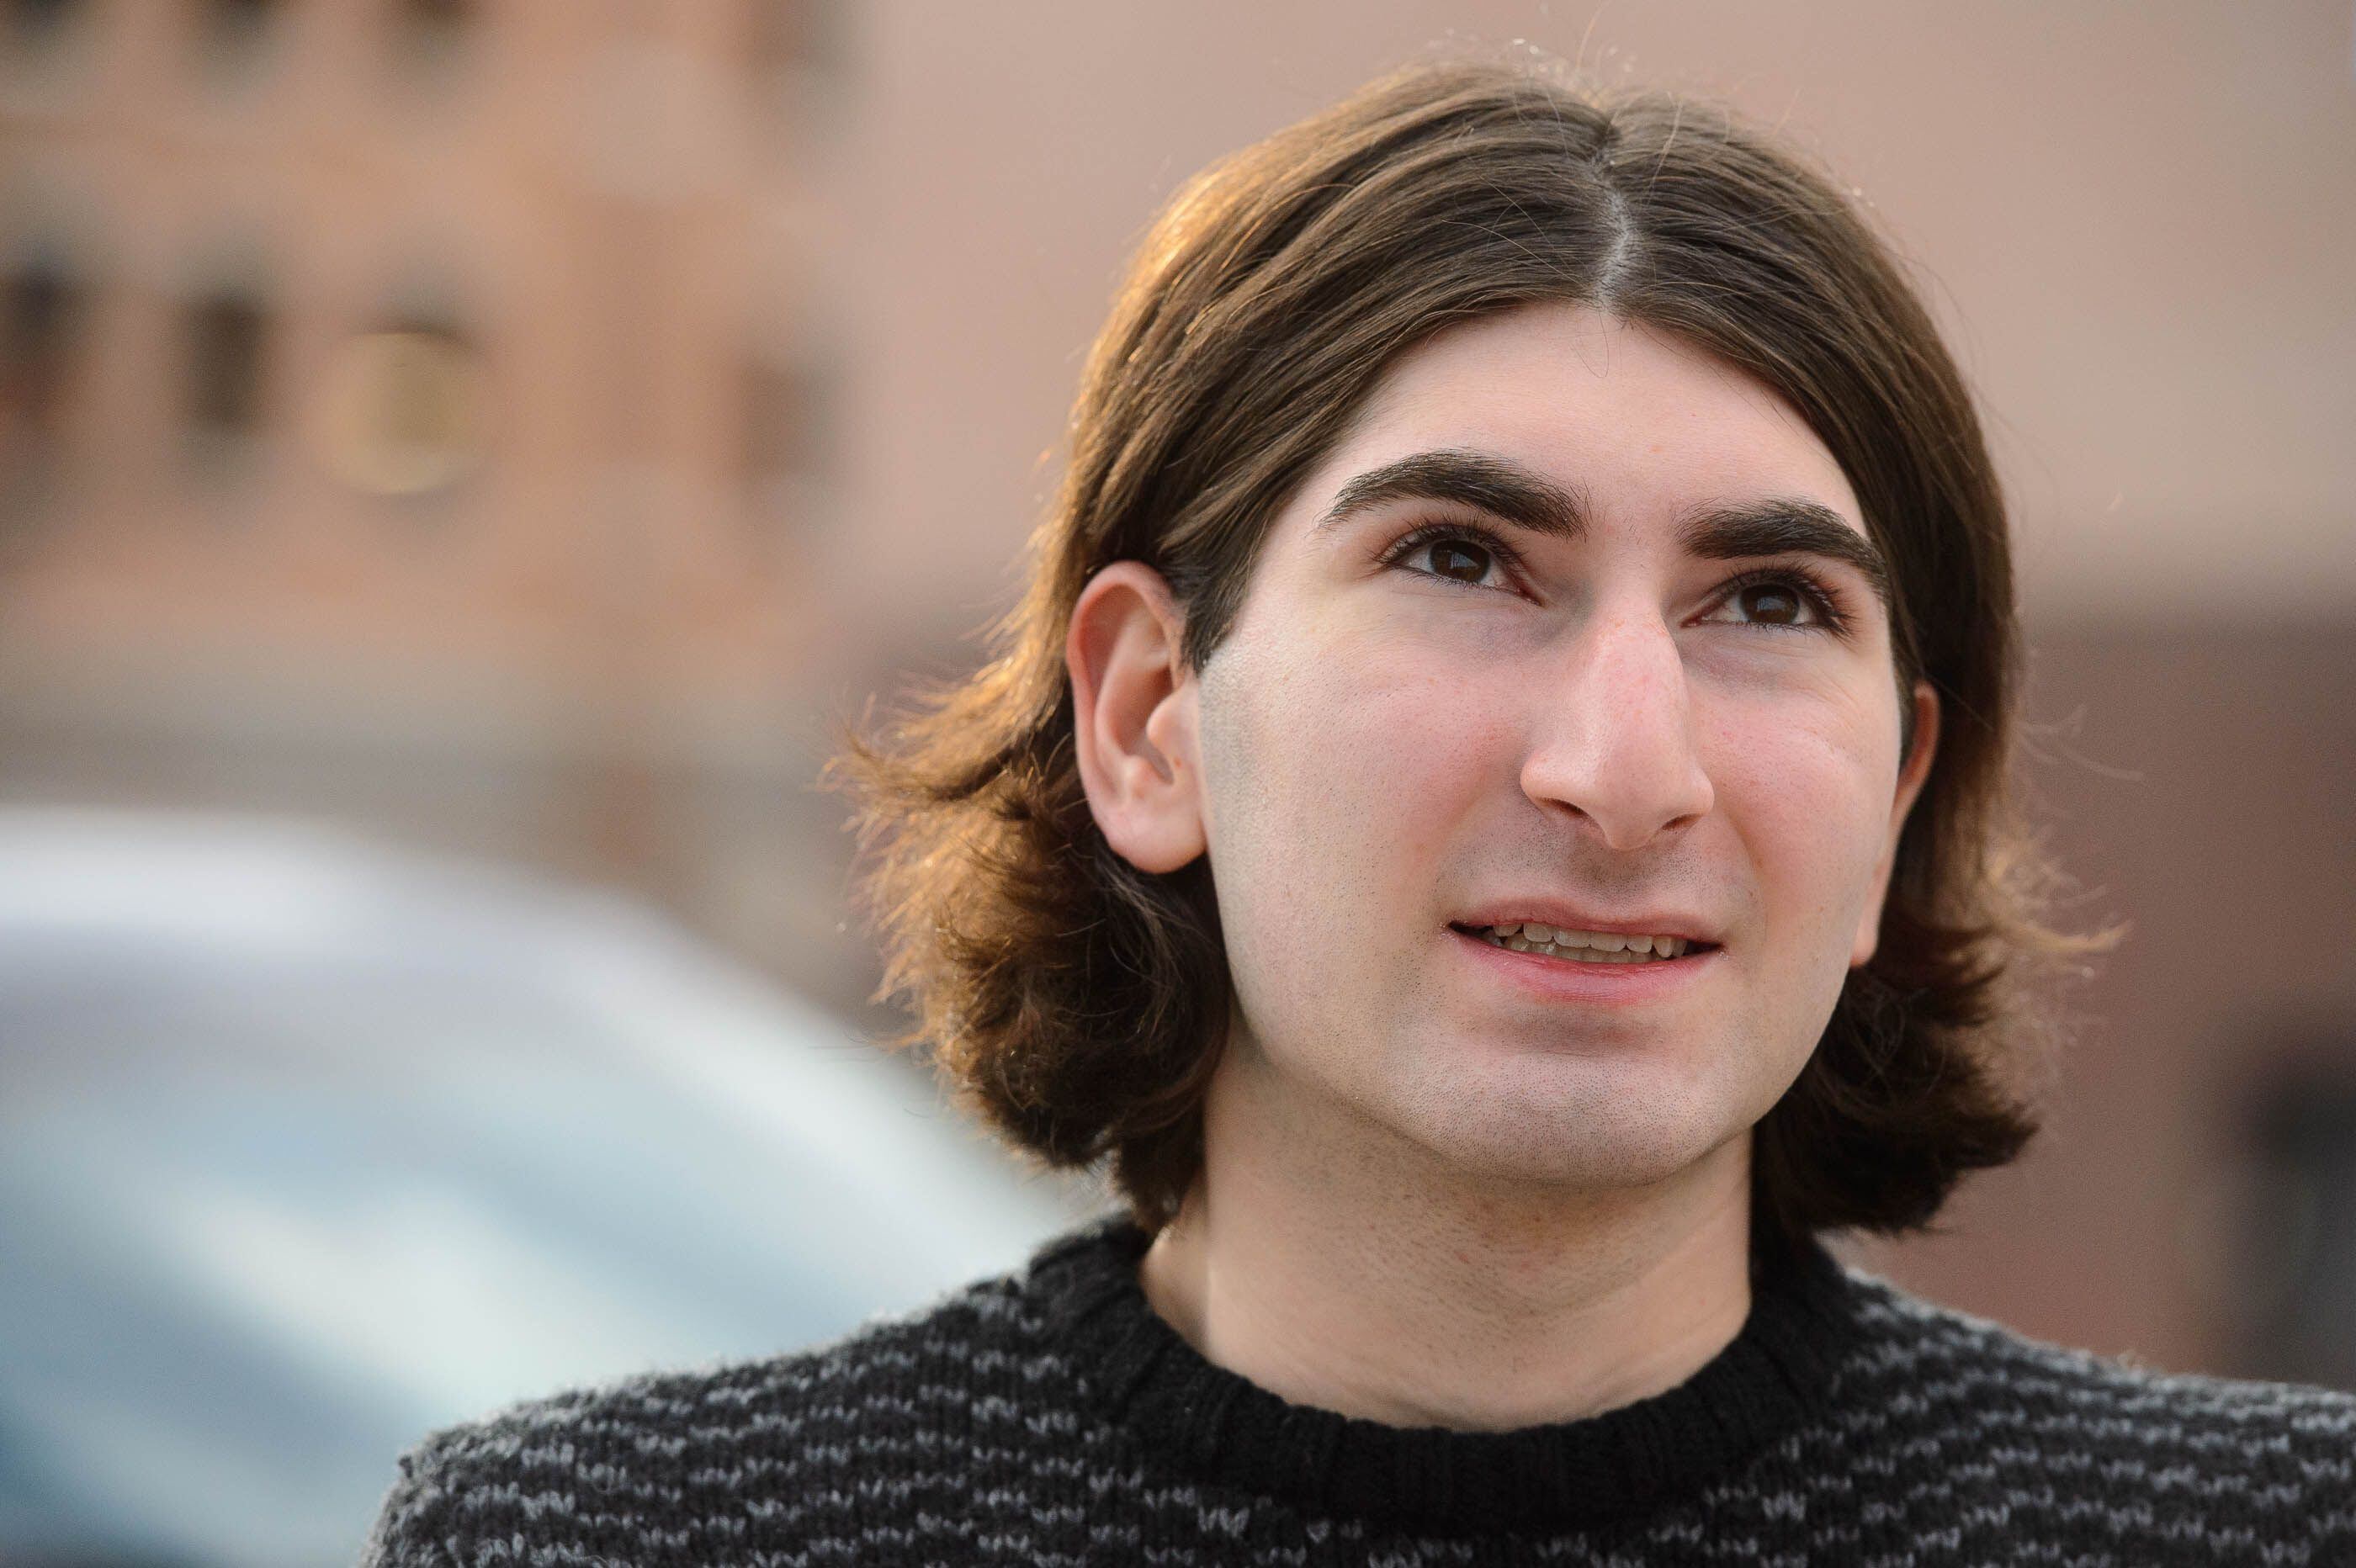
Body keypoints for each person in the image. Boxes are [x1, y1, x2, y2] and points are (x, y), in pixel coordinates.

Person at [362, 55, 2354, 1565]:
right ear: (1147, 715)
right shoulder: (612, 1538)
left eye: (1766, 603)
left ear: (1894, 805)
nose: (1623, 766)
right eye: (1462, 562)